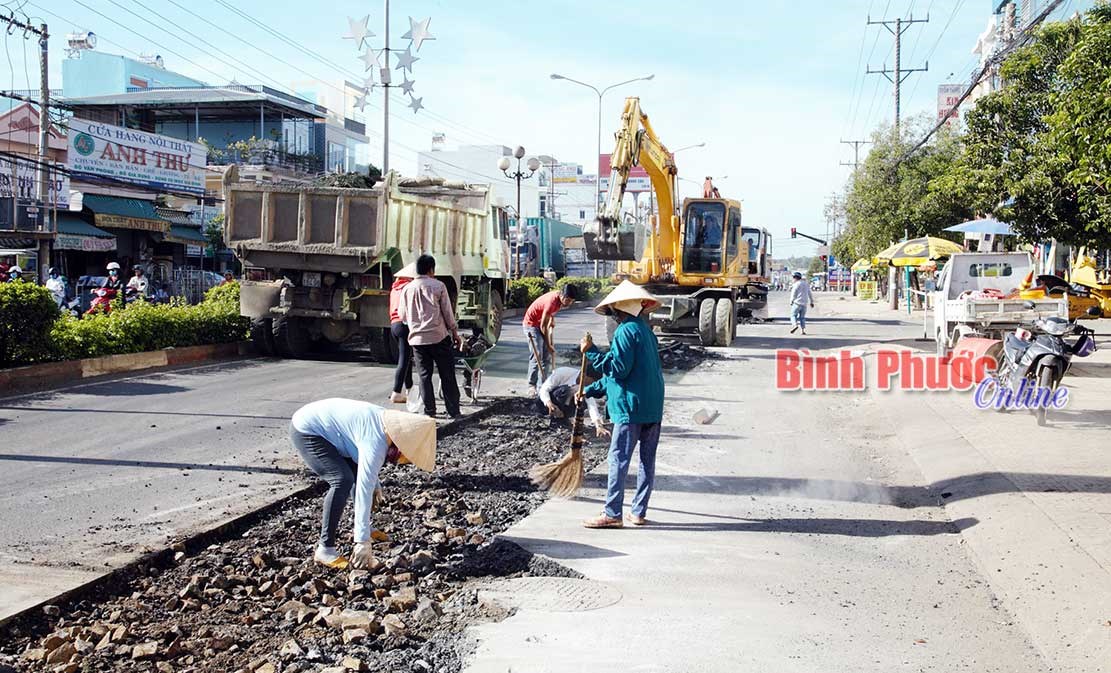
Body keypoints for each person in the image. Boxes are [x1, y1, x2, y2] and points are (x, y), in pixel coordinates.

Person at [290, 398, 436, 569]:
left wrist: (375, 484)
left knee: (355, 474)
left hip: (335, 433)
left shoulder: (386, 425)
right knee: (342, 480)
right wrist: (362, 541)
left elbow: (364, 467)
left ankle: (365, 527)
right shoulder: (376, 442)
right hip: (308, 429)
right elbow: (363, 489)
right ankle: (325, 549)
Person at [579, 280, 665, 529]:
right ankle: (638, 513)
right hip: (652, 406)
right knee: (647, 461)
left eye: (613, 311)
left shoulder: (626, 331)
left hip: (631, 408)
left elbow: (618, 369)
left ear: (619, 309)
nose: (613, 316)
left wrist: (591, 352)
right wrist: (589, 389)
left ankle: (613, 513)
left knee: (618, 458)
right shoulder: (647, 332)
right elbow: (624, 375)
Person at [396, 254, 462, 418]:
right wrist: (455, 333)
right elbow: (448, 313)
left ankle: (430, 412)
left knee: (424, 376)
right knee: (447, 374)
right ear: (431, 269)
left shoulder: (406, 289)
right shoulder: (438, 286)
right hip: (438, 337)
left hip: (417, 340)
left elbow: (402, 316)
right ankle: (453, 411)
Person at [522, 284, 577, 396]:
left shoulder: (559, 301)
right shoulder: (552, 301)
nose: (569, 303)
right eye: (568, 300)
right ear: (562, 295)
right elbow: (543, 326)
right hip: (531, 325)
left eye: (572, 301)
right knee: (537, 354)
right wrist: (549, 344)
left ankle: (544, 385)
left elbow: (547, 315)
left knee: (546, 357)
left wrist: (551, 319)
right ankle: (531, 385)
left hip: (540, 322)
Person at [538, 364, 609, 437]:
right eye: (592, 381)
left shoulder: (586, 387)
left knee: (582, 401)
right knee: (564, 390)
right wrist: (550, 404)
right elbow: (544, 389)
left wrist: (598, 426)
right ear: (585, 376)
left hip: (565, 407)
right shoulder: (563, 372)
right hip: (548, 402)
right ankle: (554, 420)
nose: (592, 384)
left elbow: (592, 405)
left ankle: (564, 418)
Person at [388, 263, 418, 404]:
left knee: (406, 358)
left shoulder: (395, 288)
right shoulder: (409, 288)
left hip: (394, 325)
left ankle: (409, 389)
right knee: (404, 360)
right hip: (404, 324)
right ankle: (396, 392)